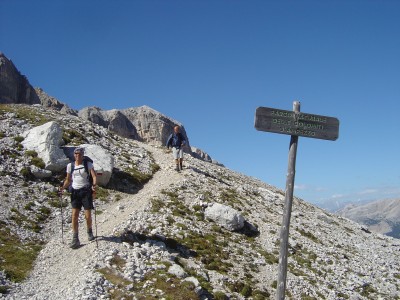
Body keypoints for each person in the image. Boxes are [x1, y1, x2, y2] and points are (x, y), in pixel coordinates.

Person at [59, 147, 97, 249]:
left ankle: (89, 231)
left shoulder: (87, 164)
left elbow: (94, 176)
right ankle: (75, 239)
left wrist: (94, 185)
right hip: (75, 192)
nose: (77, 155)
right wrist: (62, 188)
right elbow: (68, 179)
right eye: (75, 154)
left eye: (79, 154)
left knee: (87, 215)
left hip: (85, 191)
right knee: (74, 216)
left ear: (82, 155)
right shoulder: (70, 166)